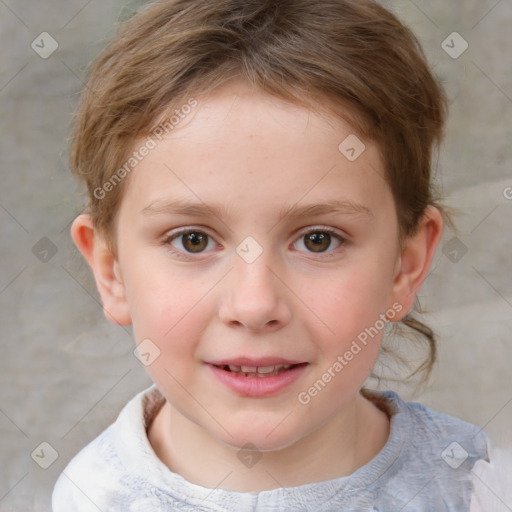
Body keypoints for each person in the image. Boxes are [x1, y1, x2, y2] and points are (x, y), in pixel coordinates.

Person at [52, 0, 505, 510]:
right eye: (193, 240)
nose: (254, 305)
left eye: (318, 240)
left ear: (405, 266)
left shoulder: (478, 485)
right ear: (111, 271)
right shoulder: (87, 497)